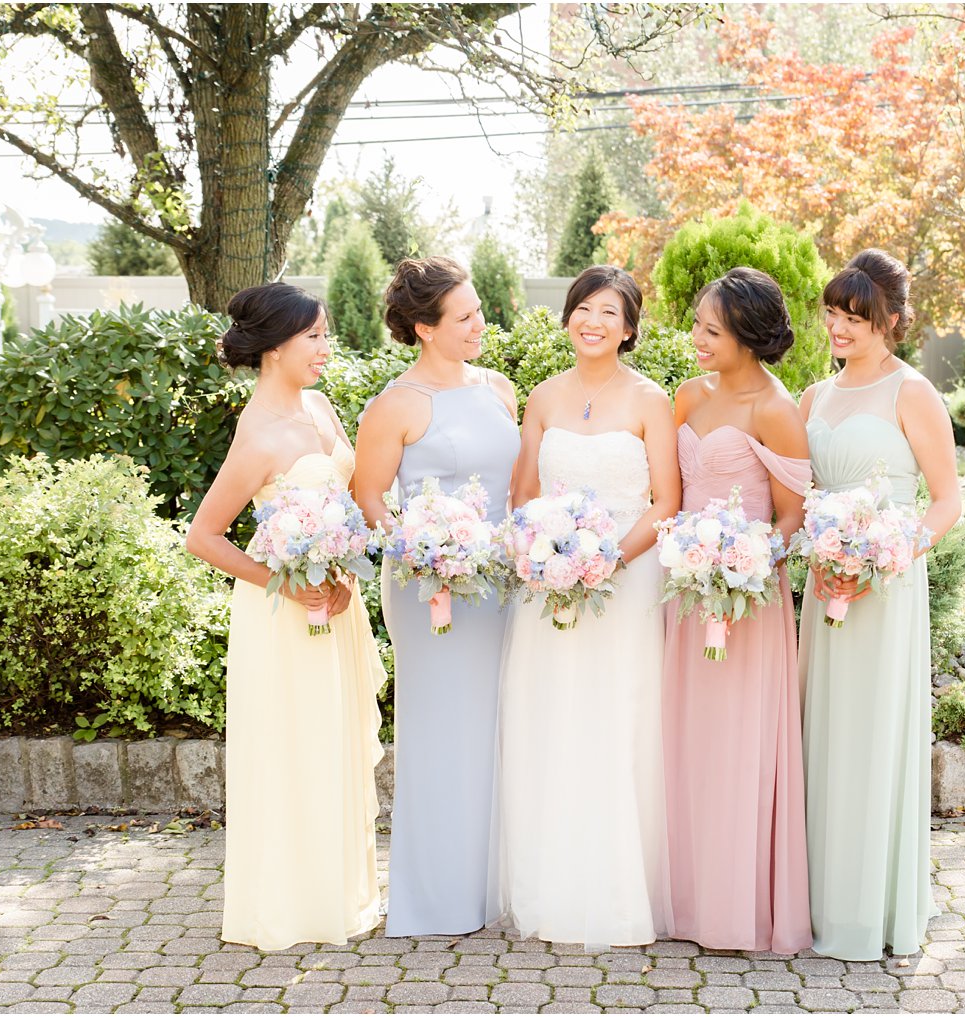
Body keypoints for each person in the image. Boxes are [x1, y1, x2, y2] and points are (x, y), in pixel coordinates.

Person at [186, 282, 385, 950]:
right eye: (315, 337)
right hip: (281, 613)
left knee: (332, 744)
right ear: (274, 346)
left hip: (332, 603)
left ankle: (334, 894)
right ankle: (286, 904)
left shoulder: (323, 408)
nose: (326, 348)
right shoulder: (260, 435)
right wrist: (285, 581)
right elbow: (204, 536)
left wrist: (344, 573)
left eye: (326, 335)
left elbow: (346, 503)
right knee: (291, 749)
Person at [490, 264, 680, 948]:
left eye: (609, 312)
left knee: (618, 716)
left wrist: (607, 560)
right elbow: (521, 494)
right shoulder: (541, 397)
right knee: (555, 714)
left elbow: (667, 501)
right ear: (567, 316)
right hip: (550, 586)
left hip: (625, 578)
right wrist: (544, 554)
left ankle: (622, 887)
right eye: (582, 308)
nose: (592, 321)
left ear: (629, 328)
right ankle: (554, 878)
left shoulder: (650, 400)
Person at [797, 249, 962, 960]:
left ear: (889, 319)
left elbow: (947, 501)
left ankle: (873, 908)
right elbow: (797, 496)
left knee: (870, 735)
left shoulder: (912, 392)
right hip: (823, 586)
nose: (838, 326)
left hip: (884, 587)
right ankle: (814, 903)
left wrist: (886, 555)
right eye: (832, 312)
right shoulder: (812, 397)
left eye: (854, 316)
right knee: (820, 731)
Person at [352, 256, 520, 936]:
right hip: (431, 589)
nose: (481, 323)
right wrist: (424, 549)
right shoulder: (394, 405)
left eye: (479, 309)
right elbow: (369, 499)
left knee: (496, 727)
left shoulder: (502, 389)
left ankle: (489, 889)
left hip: (500, 584)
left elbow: (514, 486)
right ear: (424, 327)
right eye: (465, 316)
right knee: (441, 729)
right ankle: (435, 897)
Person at [662, 267, 813, 953]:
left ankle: (738, 905)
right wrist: (694, 562)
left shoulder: (776, 409)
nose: (696, 338)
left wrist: (741, 561)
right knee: (686, 741)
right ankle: (686, 900)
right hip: (686, 599)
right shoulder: (685, 397)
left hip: (748, 601)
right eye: (696, 324)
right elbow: (666, 490)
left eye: (710, 330)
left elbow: (791, 519)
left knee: (740, 746)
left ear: (747, 335)